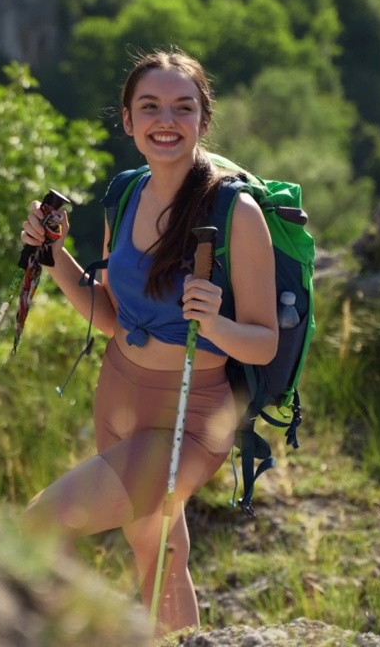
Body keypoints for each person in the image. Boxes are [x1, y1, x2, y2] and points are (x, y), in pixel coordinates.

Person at [18, 50, 278, 634]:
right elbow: (110, 316)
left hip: (191, 414)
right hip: (118, 396)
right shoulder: (126, 194)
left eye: (183, 108)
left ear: (203, 121)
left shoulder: (237, 215)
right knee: (159, 554)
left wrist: (214, 323)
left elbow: (263, 343)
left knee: (37, 525)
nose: (167, 120)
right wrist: (54, 255)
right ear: (129, 121)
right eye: (150, 107)